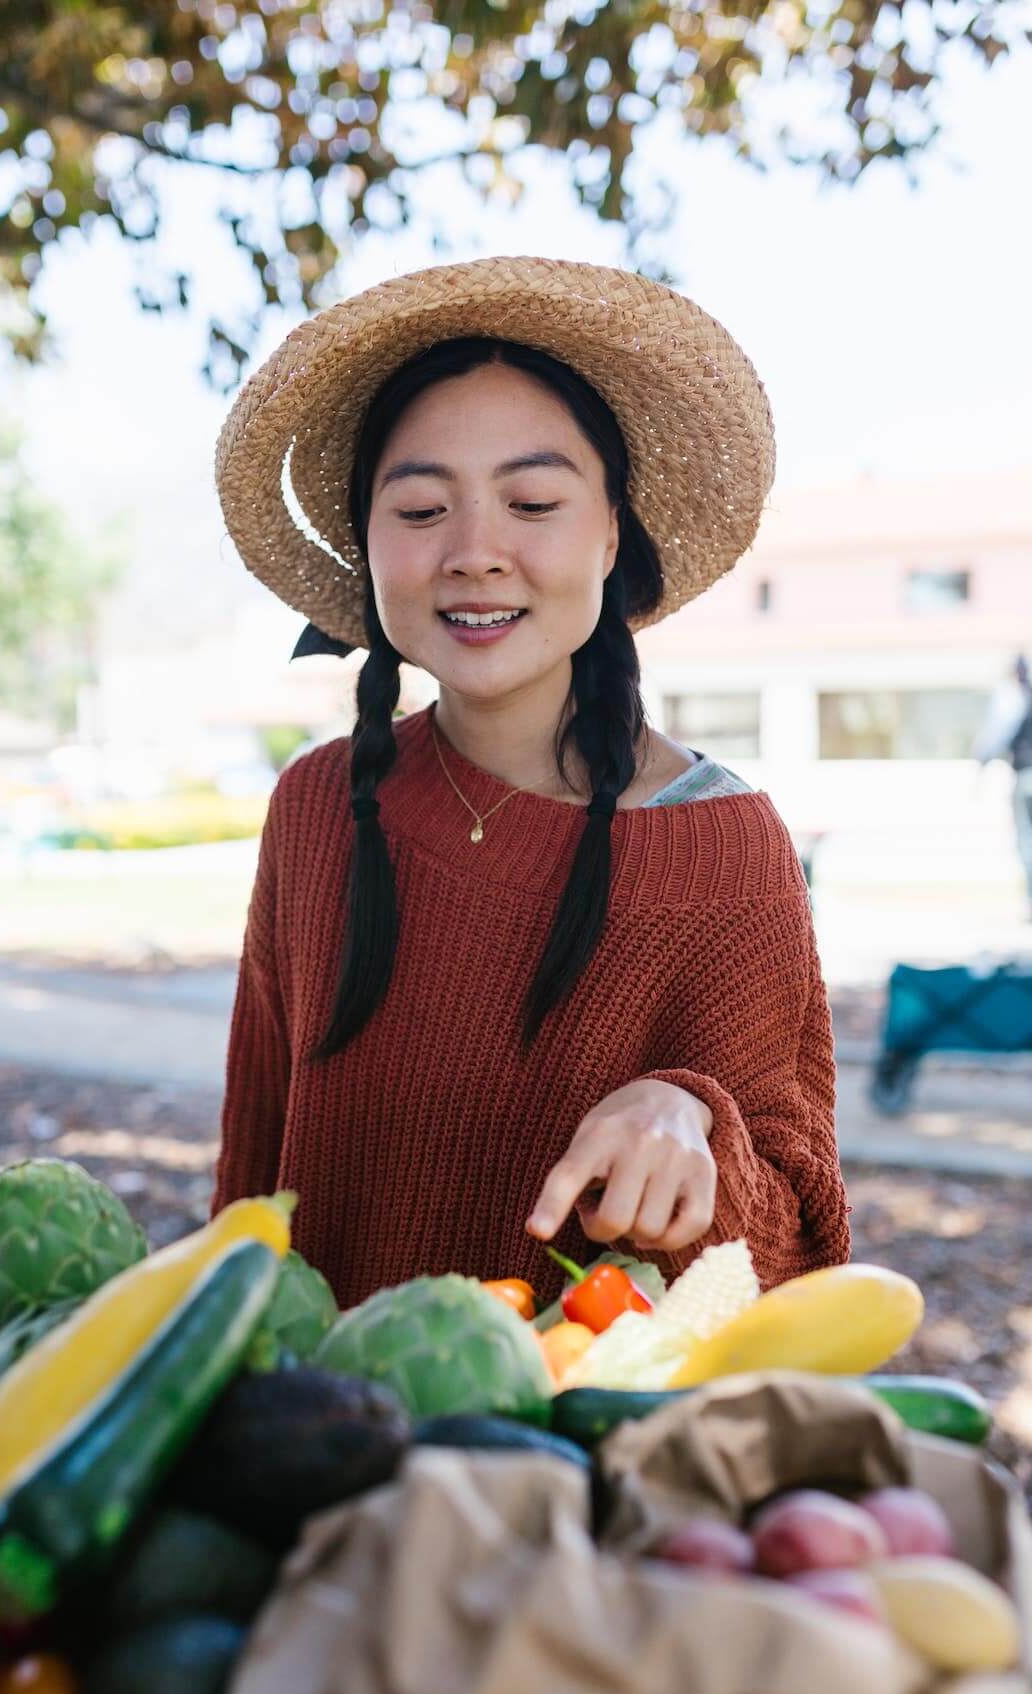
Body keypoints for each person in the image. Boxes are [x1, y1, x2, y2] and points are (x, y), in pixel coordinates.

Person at [211, 257, 850, 1309]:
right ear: (366, 545)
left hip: (573, 1462)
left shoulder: (723, 850)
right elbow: (245, 1207)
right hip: (317, 1451)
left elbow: (795, 1262)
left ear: (609, 534)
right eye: (419, 511)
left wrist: (689, 1117)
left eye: (532, 500)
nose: (473, 552)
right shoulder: (318, 809)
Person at [974, 654, 1032, 916]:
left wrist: (981, 767)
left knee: (1027, 841)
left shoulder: (1014, 697)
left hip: (1025, 776)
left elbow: (994, 736)